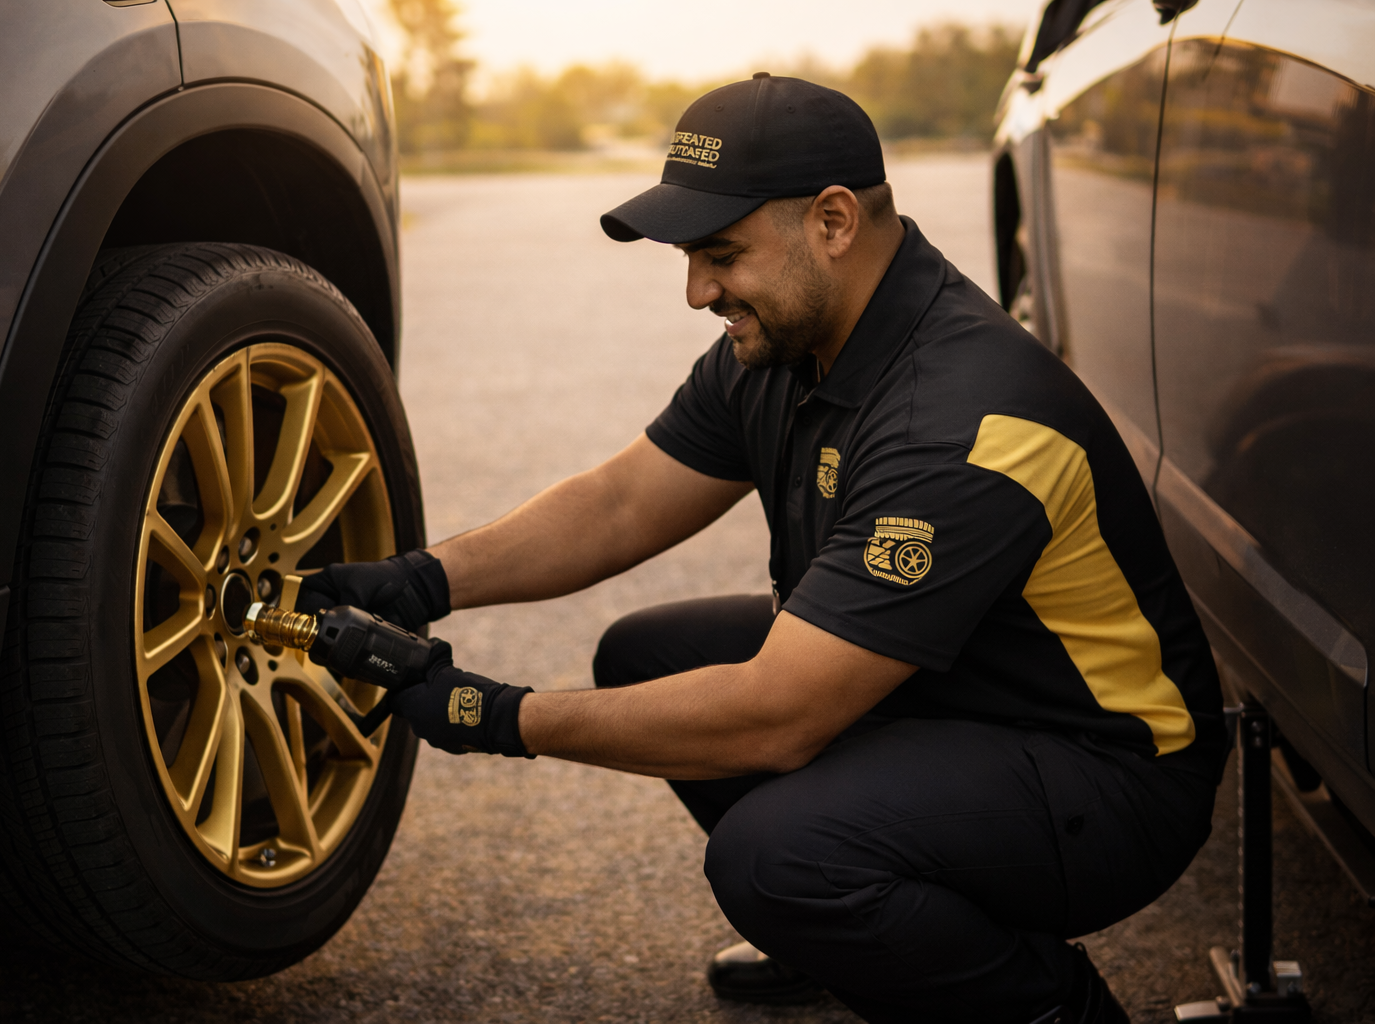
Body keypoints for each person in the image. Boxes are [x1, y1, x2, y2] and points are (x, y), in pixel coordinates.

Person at [299, 75, 1228, 1024]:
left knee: (776, 858)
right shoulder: (793, 339)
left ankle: (1042, 1006)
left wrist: (501, 716)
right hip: (956, 686)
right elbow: (619, 504)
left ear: (832, 221)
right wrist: (422, 579)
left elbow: (772, 720)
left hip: (1107, 769)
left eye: (722, 254)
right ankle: (866, 943)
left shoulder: (960, 419)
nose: (699, 291)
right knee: (646, 655)